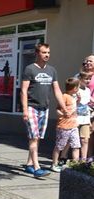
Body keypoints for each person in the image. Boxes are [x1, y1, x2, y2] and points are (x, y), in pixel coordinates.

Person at [20, 43, 66, 178]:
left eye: (48, 52)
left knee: (37, 138)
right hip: (31, 108)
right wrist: (24, 110)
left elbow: (56, 90)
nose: (47, 55)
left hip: (44, 109)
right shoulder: (29, 69)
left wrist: (64, 107)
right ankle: (37, 168)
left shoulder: (52, 70)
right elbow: (23, 91)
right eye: (44, 52)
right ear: (37, 53)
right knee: (33, 138)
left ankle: (29, 164)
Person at [51, 78, 80, 172]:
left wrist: (78, 100)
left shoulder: (73, 97)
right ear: (74, 88)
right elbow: (57, 109)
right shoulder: (64, 96)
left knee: (76, 146)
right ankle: (54, 164)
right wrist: (63, 114)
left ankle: (76, 165)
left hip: (74, 126)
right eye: (78, 86)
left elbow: (74, 108)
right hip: (64, 127)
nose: (79, 88)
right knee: (59, 146)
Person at [76, 71, 93, 160]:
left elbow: (90, 100)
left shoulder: (88, 90)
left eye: (89, 79)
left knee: (85, 139)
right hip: (76, 117)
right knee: (72, 140)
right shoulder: (76, 90)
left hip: (85, 118)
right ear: (80, 79)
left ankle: (83, 159)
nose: (88, 81)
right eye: (86, 79)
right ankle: (64, 157)